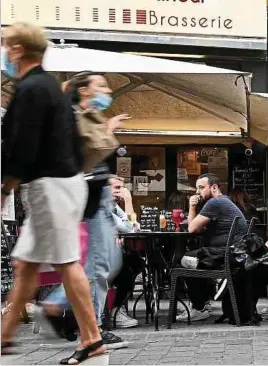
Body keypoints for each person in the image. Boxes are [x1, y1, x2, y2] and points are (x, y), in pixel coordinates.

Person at [0, 23, 105, 364]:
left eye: (6, 46)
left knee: (66, 262)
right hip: (61, 183)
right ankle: (5, 336)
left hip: (49, 185)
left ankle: (92, 339)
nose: (4, 52)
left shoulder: (32, 89)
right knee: (25, 263)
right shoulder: (50, 89)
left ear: (17, 50)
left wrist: (5, 187)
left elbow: (22, 147)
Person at [40, 71, 129, 349]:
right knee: (98, 266)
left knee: (105, 264)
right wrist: (108, 130)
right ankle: (91, 327)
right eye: (100, 85)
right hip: (88, 196)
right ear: (84, 90)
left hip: (97, 194)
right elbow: (89, 153)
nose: (107, 90)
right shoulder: (71, 114)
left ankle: (62, 310)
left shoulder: (85, 112)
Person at [177, 173, 247, 321]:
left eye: (201, 188)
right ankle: (203, 304)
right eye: (197, 188)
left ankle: (199, 307)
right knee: (193, 257)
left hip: (226, 254)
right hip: (235, 252)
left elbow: (191, 229)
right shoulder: (224, 201)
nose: (197, 192)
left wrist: (191, 206)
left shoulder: (215, 203)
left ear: (214, 187)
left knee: (182, 260)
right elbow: (198, 229)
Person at [109, 176, 142, 329]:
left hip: (109, 251)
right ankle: (115, 310)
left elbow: (134, 226)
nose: (121, 191)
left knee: (136, 261)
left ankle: (116, 305)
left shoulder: (114, 207)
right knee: (126, 266)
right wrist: (128, 201)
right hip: (96, 255)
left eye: (122, 188)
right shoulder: (103, 207)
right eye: (117, 188)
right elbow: (130, 228)